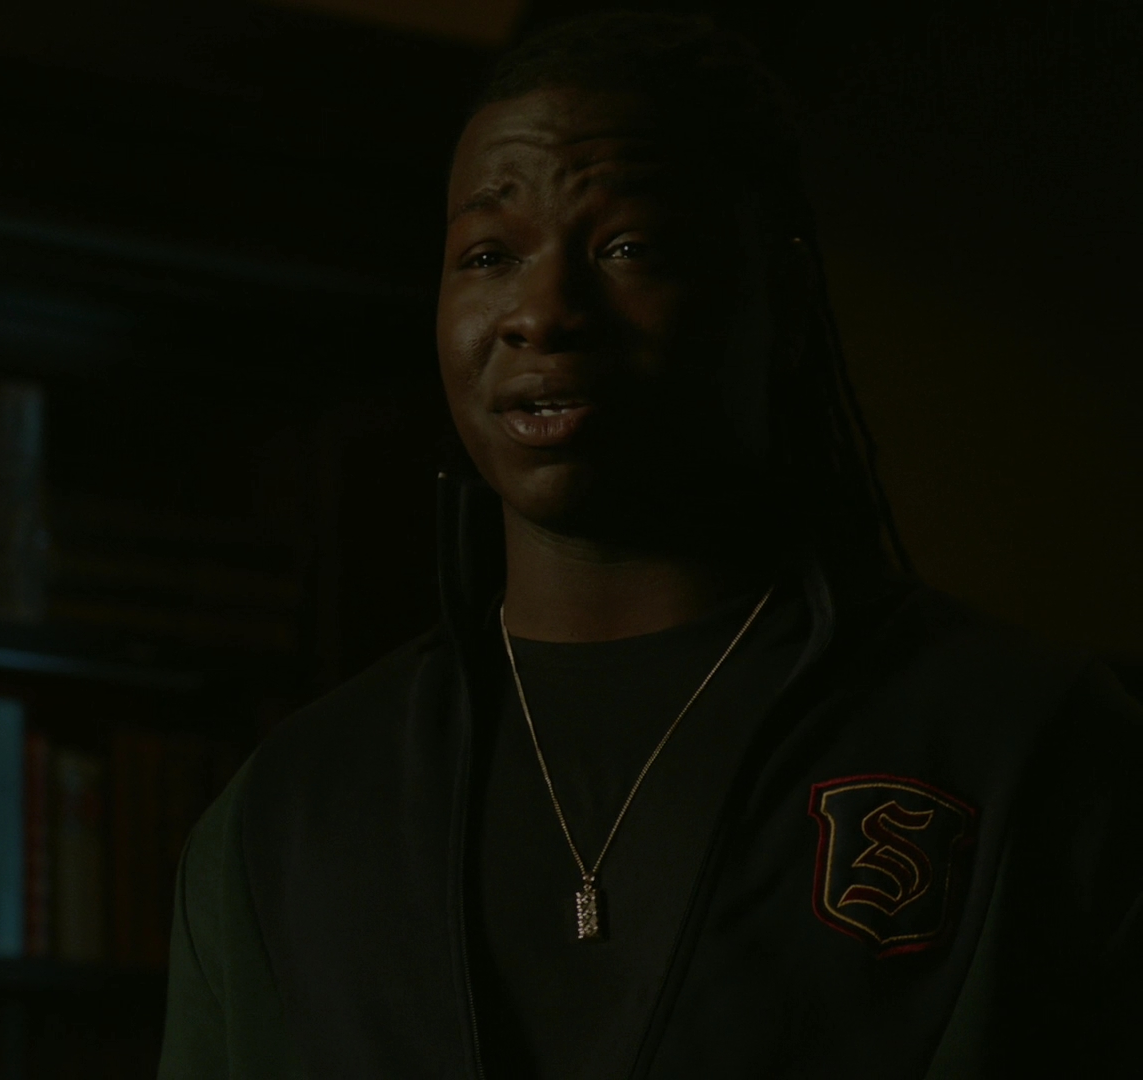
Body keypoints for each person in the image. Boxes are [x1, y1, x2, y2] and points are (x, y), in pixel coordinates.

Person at [155, 12, 1141, 1078]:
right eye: (488, 255)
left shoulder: (1028, 749)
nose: (543, 312)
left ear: (783, 297)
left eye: (628, 247)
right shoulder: (290, 814)